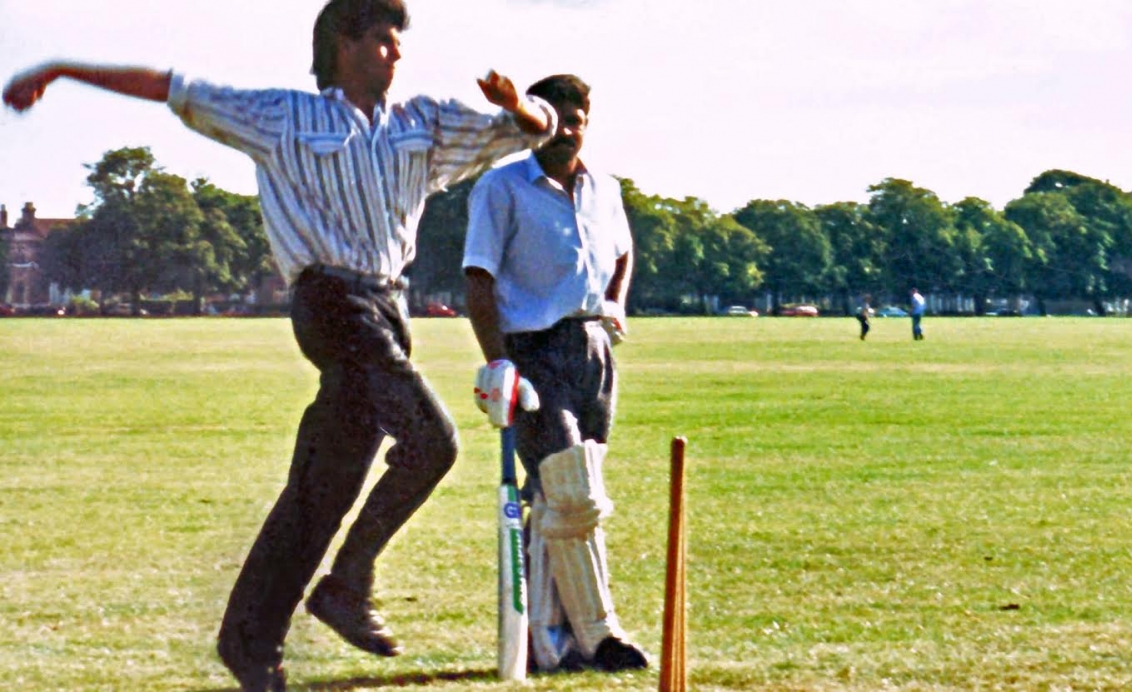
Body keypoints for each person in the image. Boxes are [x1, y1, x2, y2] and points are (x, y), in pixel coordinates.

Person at [3, 1, 556, 690]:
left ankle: (250, 644)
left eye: (398, 42)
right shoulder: (282, 116)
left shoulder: (425, 123)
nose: (396, 53)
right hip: (331, 303)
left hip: (388, 307)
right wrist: (60, 69)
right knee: (433, 442)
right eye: (383, 39)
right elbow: (173, 87)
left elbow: (533, 128)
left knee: (322, 488)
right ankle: (347, 585)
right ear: (343, 44)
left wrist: (517, 105)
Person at [461, 74, 648, 675]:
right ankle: (600, 635)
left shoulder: (605, 188)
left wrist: (615, 301)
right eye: (555, 119)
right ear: (532, 122)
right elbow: (478, 278)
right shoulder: (500, 187)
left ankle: (544, 644)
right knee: (571, 492)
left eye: (577, 120)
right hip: (531, 348)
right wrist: (499, 362)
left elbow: (622, 251)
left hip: (592, 348)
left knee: (556, 499)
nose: (566, 130)